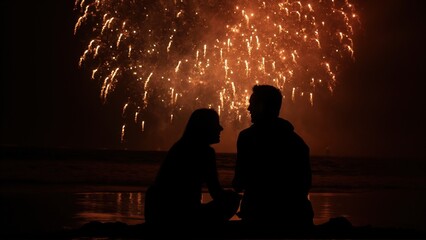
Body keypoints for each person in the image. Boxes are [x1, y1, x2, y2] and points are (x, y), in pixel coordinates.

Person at [232, 84, 314, 231]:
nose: (248, 109)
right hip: (297, 216)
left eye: (252, 104)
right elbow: (305, 183)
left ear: (262, 106)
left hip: (259, 215)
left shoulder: (247, 137)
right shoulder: (296, 141)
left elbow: (238, 182)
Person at [144, 108, 241, 228]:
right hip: (182, 215)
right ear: (206, 127)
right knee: (232, 200)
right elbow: (215, 191)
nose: (221, 128)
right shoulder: (206, 152)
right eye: (216, 124)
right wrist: (234, 196)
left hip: (157, 213)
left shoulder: (179, 147)